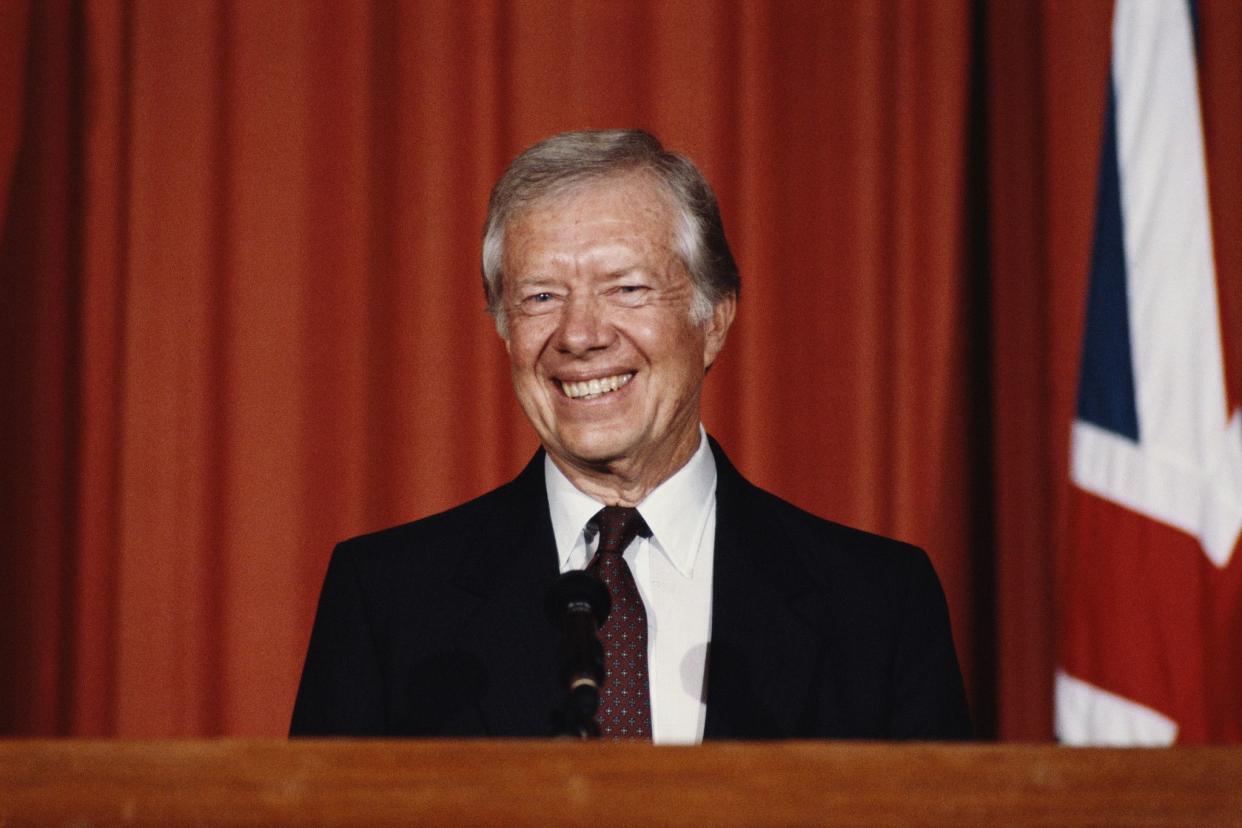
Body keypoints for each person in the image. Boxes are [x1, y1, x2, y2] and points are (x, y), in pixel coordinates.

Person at [290, 129, 971, 743]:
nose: (580, 335)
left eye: (627, 288)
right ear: (503, 328)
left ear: (714, 320)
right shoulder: (387, 601)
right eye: (540, 297)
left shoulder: (877, 606)